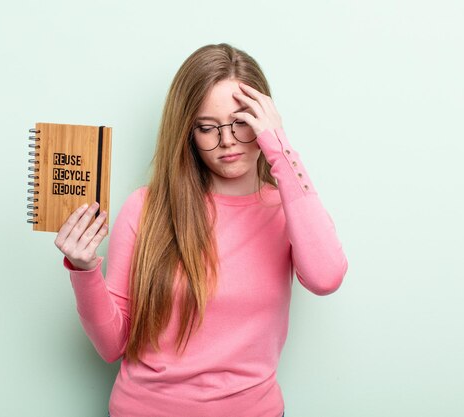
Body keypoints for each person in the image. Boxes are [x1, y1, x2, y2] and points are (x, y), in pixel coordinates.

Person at [54, 43, 348, 417]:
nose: (226, 141)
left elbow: (326, 277)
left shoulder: (288, 208)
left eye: (241, 123)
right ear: (188, 133)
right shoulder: (146, 207)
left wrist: (280, 146)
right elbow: (113, 344)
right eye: (208, 128)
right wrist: (83, 270)